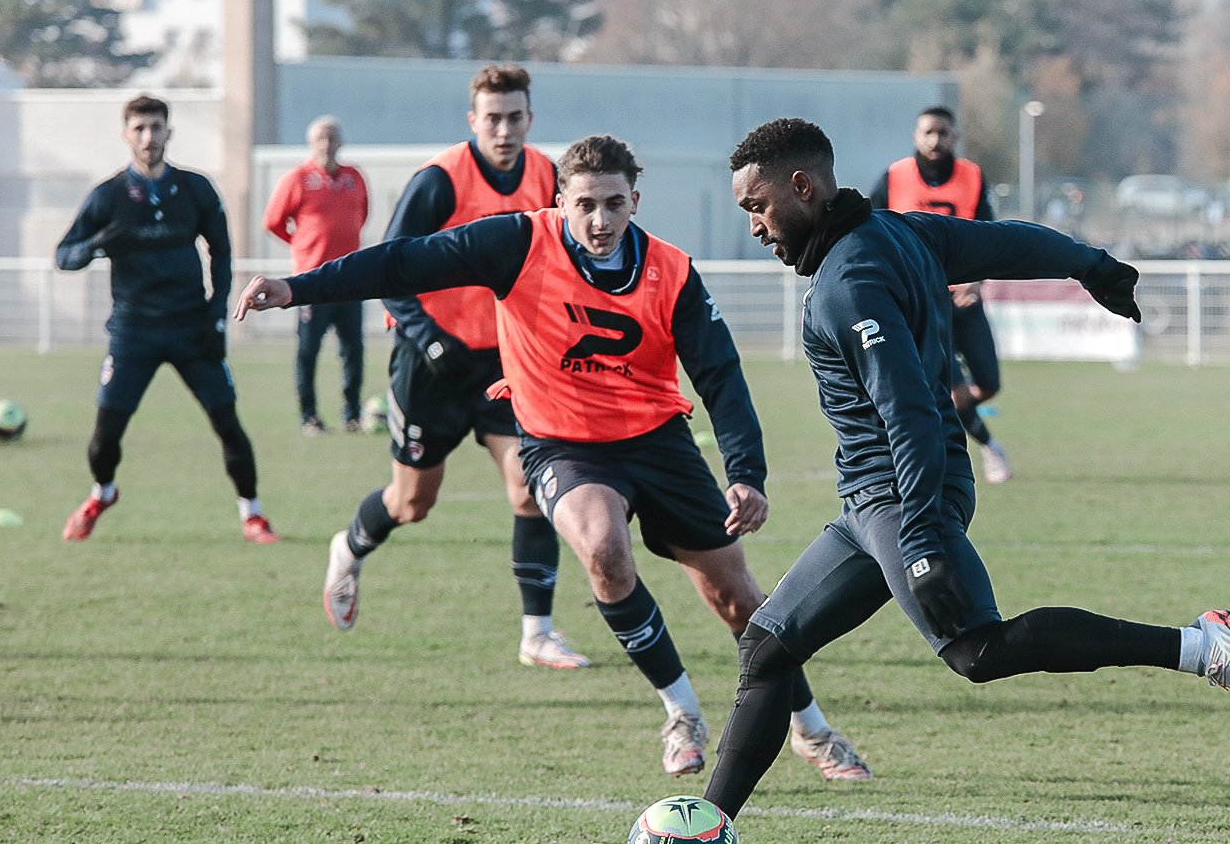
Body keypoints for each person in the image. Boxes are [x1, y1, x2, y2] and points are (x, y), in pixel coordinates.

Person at [583, 118, 1230, 844]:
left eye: (757, 207)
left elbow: (911, 411)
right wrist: (1090, 264)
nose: (753, 226)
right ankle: (696, 837)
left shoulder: (849, 283)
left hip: (904, 495)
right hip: (870, 505)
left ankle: (1202, 647)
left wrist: (918, 529)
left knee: (978, 653)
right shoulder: (899, 232)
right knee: (768, 645)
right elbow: (1005, 242)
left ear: (802, 188)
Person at [232, 134, 872, 786]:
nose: (599, 221)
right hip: (561, 442)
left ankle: (813, 729)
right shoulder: (515, 243)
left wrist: (745, 474)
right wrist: (294, 288)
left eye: (615, 204)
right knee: (602, 547)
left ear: (635, 202)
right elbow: (403, 263)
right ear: (560, 200)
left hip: (657, 440)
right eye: (585, 204)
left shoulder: (671, 271)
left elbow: (721, 377)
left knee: (739, 600)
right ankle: (681, 711)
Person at [302, 65, 588, 670]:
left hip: (507, 364)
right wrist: (429, 338)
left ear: (530, 120)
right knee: (412, 503)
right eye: (493, 119)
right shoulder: (438, 181)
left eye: (515, 118)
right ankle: (347, 550)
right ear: (473, 121)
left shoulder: (548, 177)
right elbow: (388, 268)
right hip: (430, 364)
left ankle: (537, 632)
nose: (504, 130)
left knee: (529, 489)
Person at [56, 94, 278, 545]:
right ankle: (103, 493)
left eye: (156, 127)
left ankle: (252, 516)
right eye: (139, 128)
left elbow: (222, 252)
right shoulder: (108, 195)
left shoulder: (196, 188)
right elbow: (65, 256)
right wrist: (100, 242)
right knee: (104, 438)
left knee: (227, 423)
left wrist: (217, 316)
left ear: (169, 132)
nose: (148, 137)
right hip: (133, 332)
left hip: (192, 328)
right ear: (125, 135)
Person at [870, 105, 1009, 483]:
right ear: (915, 137)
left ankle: (932, 414)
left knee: (989, 384)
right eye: (928, 132)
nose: (935, 140)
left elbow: (990, 238)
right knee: (953, 391)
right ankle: (989, 446)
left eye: (942, 132)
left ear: (955, 137)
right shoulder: (893, 178)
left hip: (963, 298)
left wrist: (976, 279)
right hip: (921, 304)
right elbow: (870, 235)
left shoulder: (972, 176)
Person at [263, 115, 370, 434]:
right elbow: (273, 221)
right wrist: (302, 244)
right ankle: (308, 415)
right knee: (308, 351)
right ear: (311, 144)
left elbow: (361, 214)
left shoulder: (354, 177)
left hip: (350, 280)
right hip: (312, 282)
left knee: (353, 349)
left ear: (341, 142)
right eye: (321, 138)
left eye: (332, 137)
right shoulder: (297, 178)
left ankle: (352, 414)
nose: (327, 144)